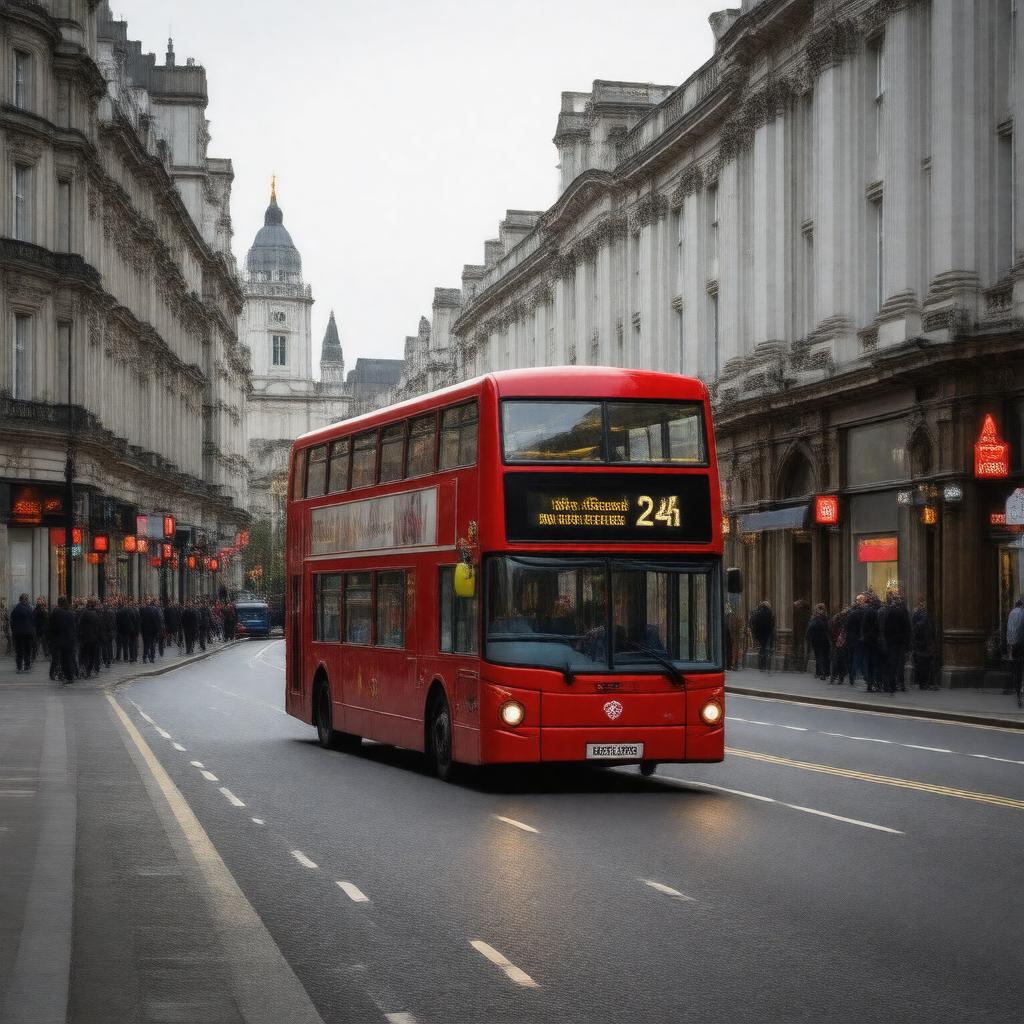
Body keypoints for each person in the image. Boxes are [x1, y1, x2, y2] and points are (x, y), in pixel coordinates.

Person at [882, 595, 911, 694]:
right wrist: (908, 643)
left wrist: (887, 640)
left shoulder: (889, 613)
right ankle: (901, 683)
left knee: (892, 663)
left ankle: (892, 684)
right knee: (901, 664)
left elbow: (886, 628)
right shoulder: (903, 613)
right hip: (901, 642)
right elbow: (908, 629)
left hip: (892, 642)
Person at [50, 597, 77, 684]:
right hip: (70, 639)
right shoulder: (71, 613)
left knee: (60, 658)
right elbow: (74, 626)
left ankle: (63, 675)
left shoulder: (56, 612)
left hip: (59, 639)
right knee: (69, 658)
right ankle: (70, 676)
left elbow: (52, 626)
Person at [911, 598, 936, 690]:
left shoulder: (919, 623)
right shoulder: (928, 622)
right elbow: (931, 634)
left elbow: (915, 636)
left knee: (922, 665)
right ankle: (925, 683)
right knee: (926, 666)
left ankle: (923, 683)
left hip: (921, 647)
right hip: (925, 647)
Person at [77, 599, 101, 679]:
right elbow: (98, 628)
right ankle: (88, 671)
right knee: (91, 656)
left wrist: (80, 636)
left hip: (84, 639)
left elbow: (80, 626)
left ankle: (82, 670)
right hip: (93, 639)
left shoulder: (84, 614)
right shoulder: (96, 615)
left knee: (83, 655)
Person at [10, 593, 35, 673]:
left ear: (20, 600)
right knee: (28, 650)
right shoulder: (30, 609)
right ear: (26, 600)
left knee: (19, 651)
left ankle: (19, 667)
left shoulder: (16, 609)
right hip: (28, 633)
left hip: (18, 634)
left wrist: (14, 631)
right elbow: (33, 621)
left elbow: (12, 622)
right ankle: (27, 666)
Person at [806, 603, 831, 681]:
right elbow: (829, 629)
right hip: (825, 639)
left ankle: (820, 673)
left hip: (817, 640)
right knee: (825, 657)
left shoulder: (815, 619)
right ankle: (826, 672)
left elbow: (810, 629)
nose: (816, 610)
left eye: (817, 609)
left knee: (819, 657)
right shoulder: (826, 618)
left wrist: (808, 637)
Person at [748, 601, 775, 673]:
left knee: (762, 649)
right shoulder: (769, 613)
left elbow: (753, 624)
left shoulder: (757, 613)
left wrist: (755, 635)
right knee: (767, 649)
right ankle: (766, 666)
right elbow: (772, 624)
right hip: (767, 634)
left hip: (759, 635)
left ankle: (761, 666)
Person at [1006, 597, 1024, 699]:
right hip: (1020, 643)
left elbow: (1010, 630)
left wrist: (1010, 644)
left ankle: (1017, 688)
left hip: (1015, 644)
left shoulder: (1012, 613)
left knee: (1017, 668)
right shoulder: (1021, 613)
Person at [140, 598, 162, 664]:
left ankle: (144, 658)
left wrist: (141, 630)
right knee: (152, 645)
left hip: (145, 631)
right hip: (153, 631)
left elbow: (141, 621)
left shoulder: (143, 610)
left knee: (146, 645)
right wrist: (158, 630)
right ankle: (152, 658)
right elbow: (158, 621)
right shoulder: (155, 610)